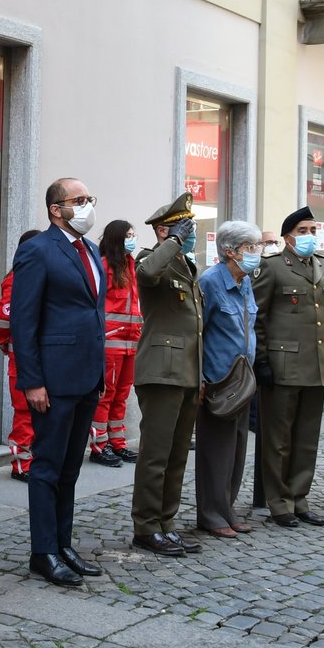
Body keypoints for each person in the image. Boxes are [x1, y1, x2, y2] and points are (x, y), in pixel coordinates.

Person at [9, 178, 107, 587]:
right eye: (78, 200)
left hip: (86, 376)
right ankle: (43, 551)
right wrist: (33, 381)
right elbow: (23, 321)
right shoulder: (37, 250)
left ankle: (63, 544)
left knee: (70, 468)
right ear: (55, 209)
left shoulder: (92, 250)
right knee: (47, 468)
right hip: (53, 379)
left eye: (89, 199)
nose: (86, 206)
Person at [252, 207, 324, 528]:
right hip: (282, 366)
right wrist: (261, 360)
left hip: (318, 367)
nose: (309, 236)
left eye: (312, 230)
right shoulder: (273, 268)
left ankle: (300, 497)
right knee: (278, 439)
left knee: (307, 438)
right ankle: (279, 503)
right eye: (303, 230)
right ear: (288, 236)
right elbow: (257, 317)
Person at [129, 195, 204, 557]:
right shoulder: (150, 259)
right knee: (156, 454)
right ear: (163, 230)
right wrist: (172, 241)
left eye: (190, 229)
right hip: (161, 372)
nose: (191, 234)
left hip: (187, 371)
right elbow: (146, 274)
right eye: (184, 228)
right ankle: (145, 526)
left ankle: (165, 523)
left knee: (176, 455)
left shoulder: (186, 267)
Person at [194, 221, 260, 538]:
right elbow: (198, 332)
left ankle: (227, 508)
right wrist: (201, 378)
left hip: (243, 378)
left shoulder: (245, 281)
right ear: (230, 251)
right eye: (251, 248)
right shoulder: (210, 281)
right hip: (218, 379)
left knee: (236, 448)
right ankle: (210, 513)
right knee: (215, 450)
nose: (257, 253)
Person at [91, 219, 142, 467]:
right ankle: (99, 446)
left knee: (121, 395)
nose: (132, 239)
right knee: (106, 395)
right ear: (116, 239)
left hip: (130, 342)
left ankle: (117, 443)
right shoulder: (103, 266)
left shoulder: (130, 265)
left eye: (134, 234)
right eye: (128, 235)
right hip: (111, 342)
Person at [0, 230, 42, 481]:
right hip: (22, 358)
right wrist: (3, 343)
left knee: (36, 414)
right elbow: (4, 320)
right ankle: (21, 464)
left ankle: (30, 460)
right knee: (24, 411)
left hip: (36, 357)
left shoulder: (33, 275)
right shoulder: (16, 279)